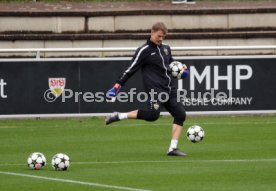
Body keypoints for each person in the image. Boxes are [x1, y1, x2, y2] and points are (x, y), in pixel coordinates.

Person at [105, 22, 189, 156]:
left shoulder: (166, 48)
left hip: (169, 89)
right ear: (152, 32)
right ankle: (119, 116)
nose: (161, 39)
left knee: (180, 114)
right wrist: (117, 86)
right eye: (159, 36)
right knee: (152, 116)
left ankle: (172, 148)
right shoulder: (144, 51)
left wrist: (181, 70)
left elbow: (172, 65)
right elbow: (130, 69)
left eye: (163, 37)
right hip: (155, 90)